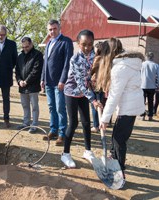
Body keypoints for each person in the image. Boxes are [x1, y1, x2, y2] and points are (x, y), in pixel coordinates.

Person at [98, 38, 145, 184]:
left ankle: (120, 171)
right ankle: (114, 159)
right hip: (131, 106)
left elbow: (114, 96)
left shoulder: (120, 68)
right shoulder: (127, 62)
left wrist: (105, 119)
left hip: (128, 107)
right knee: (117, 137)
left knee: (119, 140)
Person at [61, 30, 101, 168]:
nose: (87, 47)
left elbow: (89, 77)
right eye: (84, 44)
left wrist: (93, 82)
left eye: (90, 44)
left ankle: (88, 151)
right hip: (72, 92)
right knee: (73, 123)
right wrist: (94, 100)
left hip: (84, 93)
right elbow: (79, 82)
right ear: (78, 44)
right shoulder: (75, 59)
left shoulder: (94, 56)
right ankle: (65, 154)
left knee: (86, 122)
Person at [41, 19, 73, 146]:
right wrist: (42, 79)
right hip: (48, 81)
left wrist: (63, 80)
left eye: (54, 28)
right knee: (51, 107)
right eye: (50, 29)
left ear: (59, 28)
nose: (52, 31)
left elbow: (67, 63)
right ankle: (53, 130)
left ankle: (62, 134)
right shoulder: (48, 43)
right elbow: (45, 63)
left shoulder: (66, 42)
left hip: (59, 82)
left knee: (60, 108)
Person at [15, 37, 43, 133]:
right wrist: (19, 81)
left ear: (31, 44)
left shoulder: (37, 55)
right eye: (23, 47)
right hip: (22, 86)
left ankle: (34, 125)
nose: (25, 49)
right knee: (25, 105)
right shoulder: (20, 56)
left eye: (27, 46)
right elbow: (17, 71)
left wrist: (26, 81)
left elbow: (36, 70)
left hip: (33, 86)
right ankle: (26, 123)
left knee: (34, 106)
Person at [140, 52, 159, 121]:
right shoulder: (156, 65)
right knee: (151, 101)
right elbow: (158, 77)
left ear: (146, 57)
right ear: (153, 57)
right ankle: (150, 116)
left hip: (142, 85)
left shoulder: (142, 64)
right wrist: (158, 85)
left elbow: (138, 74)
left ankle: (142, 115)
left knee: (142, 101)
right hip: (152, 86)